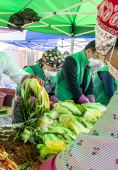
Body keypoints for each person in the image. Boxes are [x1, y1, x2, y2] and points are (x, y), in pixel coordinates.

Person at [39, 0, 118, 169]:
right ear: (88, 51)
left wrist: (90, 100)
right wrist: (81, 99)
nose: (102, 60)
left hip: (74, 106)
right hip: (64, 100)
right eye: (99, 55)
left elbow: (88, 84)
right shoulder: (71, 60)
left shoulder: (88, 64)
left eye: (104, 54)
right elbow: (73, 84)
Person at [12, 49, 65, 124]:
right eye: (52, 69)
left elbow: (51, 93)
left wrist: (56, 102)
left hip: (38, 111)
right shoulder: (29, 71)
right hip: (22, 110)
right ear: (44, 63)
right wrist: (45, 103)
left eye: (56, 70)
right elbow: (22, 94)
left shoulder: (53, 76)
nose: (54, 72)